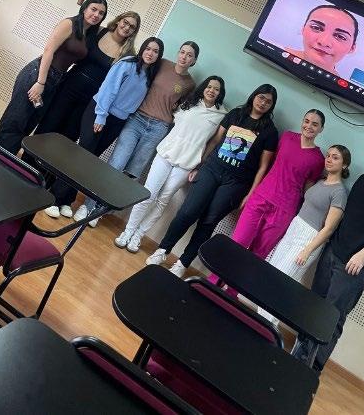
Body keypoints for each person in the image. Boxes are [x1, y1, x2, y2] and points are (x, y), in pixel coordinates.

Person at [292, 135, 364, 375]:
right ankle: (296, 358)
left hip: (354, 267)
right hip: (333, 253)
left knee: (331, 317)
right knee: (314, 306)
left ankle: (310, 370)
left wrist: (362, 256)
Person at [146, 84, 279, 278]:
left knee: (208, 222)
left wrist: (250, 194)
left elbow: (262, 167)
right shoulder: (236, 114)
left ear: (271, 106)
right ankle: (163, 250)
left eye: (268, 101)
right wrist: (199, 166)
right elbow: (216, 140)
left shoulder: (270, 131)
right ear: (254, 96)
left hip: (236, 183)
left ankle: (183, 263)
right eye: (261, 97)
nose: (263, 103)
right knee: (187, 212)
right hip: (212, 169)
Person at [72, 41, 199, 225]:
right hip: (136, 119)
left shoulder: (190, 84)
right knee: (116, 164)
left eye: (189, 55)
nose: (184, 57)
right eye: (182, 52)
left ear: (194, 61)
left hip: (158, 128)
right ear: (178, 52)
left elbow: (182, 108)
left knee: (132, 172)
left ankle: (100, 210)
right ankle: (88, 206)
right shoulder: (162, 64)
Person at [44, 37, 164, 218]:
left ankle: (67, 200)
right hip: (99, 112)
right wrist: (101, 115)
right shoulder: (127, 64)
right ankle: (55, 197)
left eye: (155, 51)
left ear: (159, 56)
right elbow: (109, 89)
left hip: (117, 122)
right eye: (148, 48)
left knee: (90, 160)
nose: (150, 53)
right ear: (142, 49)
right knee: (81, 156)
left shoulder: (150, 75)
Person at [207, 109, 326, 290]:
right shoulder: (287, 138)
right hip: (261, 197)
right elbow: (269, 163)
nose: (309, 126)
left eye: (315, 124)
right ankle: (213, 283)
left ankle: (232, 292)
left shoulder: (318, 159)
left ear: (321, 129)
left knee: (257, 255)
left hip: (284, 210)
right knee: (236, 244)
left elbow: (307, 190)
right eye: (307, 121)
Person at [113, 76, 227, 253]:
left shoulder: (221, 115)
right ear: (204, 88)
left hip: (187, 163)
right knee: (147, 194)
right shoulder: (188, 103)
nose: (212, 91)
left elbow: (213, 143)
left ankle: (138, 235)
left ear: (221, 93)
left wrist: (199, 165)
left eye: (216, 89)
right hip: (166, 154)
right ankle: (128, 232)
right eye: (209, 86)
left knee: (162, 201)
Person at [0, 0, 107, 154]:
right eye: (93, 9)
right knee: (15, 121)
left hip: (56, 80)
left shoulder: (88, 33)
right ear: (85, 8)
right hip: (38, 74)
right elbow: (48, 51)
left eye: (101, 13)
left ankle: (5, 159)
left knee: (28, 125)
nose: (96, 15)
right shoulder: (69, 24)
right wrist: (40, 82)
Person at [257, 144, 351, 325]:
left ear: (345, 165)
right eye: (328, 156)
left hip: (308, 238)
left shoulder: (339, 192)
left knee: (283, 282)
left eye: (336, 157)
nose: (329, 160)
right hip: (294, 229)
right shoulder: (320, 182)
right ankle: (260, 321)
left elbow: (329, 228)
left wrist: (307, 250)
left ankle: (268, 326)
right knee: (272, 276)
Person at [35, 11, 141, 143]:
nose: (127, 27)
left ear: (134, 32)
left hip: (90, 99)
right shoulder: (98, 31)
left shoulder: (128, 54)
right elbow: (74, 47)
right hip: (69, 86)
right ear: (119, 20)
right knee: (48, 124)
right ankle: (28, 155)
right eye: (125, 22)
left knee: (69, 136)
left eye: (132, 27)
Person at [285, 4, 359, 76]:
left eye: (340, 36)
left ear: (352, 48)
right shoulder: (280, 53)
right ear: (303, 29)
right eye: (316, 27)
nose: (324, 42)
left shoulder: (341, 83)